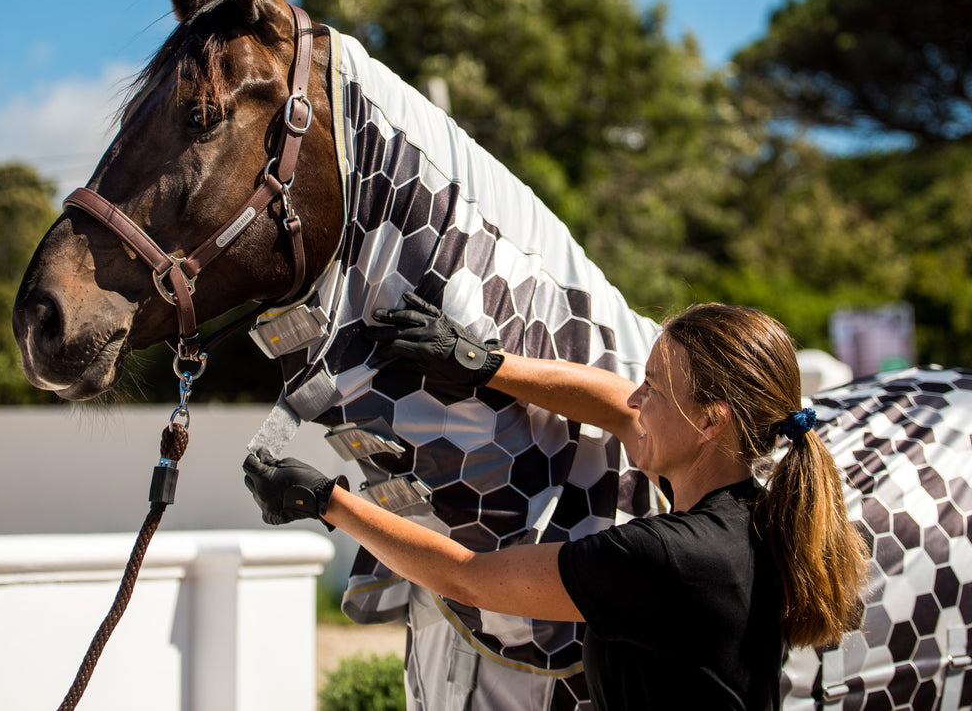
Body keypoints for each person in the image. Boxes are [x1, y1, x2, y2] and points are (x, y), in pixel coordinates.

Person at [243, 295, 869, 710]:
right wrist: (482, 363)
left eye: (652, 388)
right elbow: (612, 401)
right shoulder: (760, 513)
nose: (635, 402)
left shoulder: (667, 557)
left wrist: (328, 501)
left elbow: (468, 576)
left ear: (711, 421)